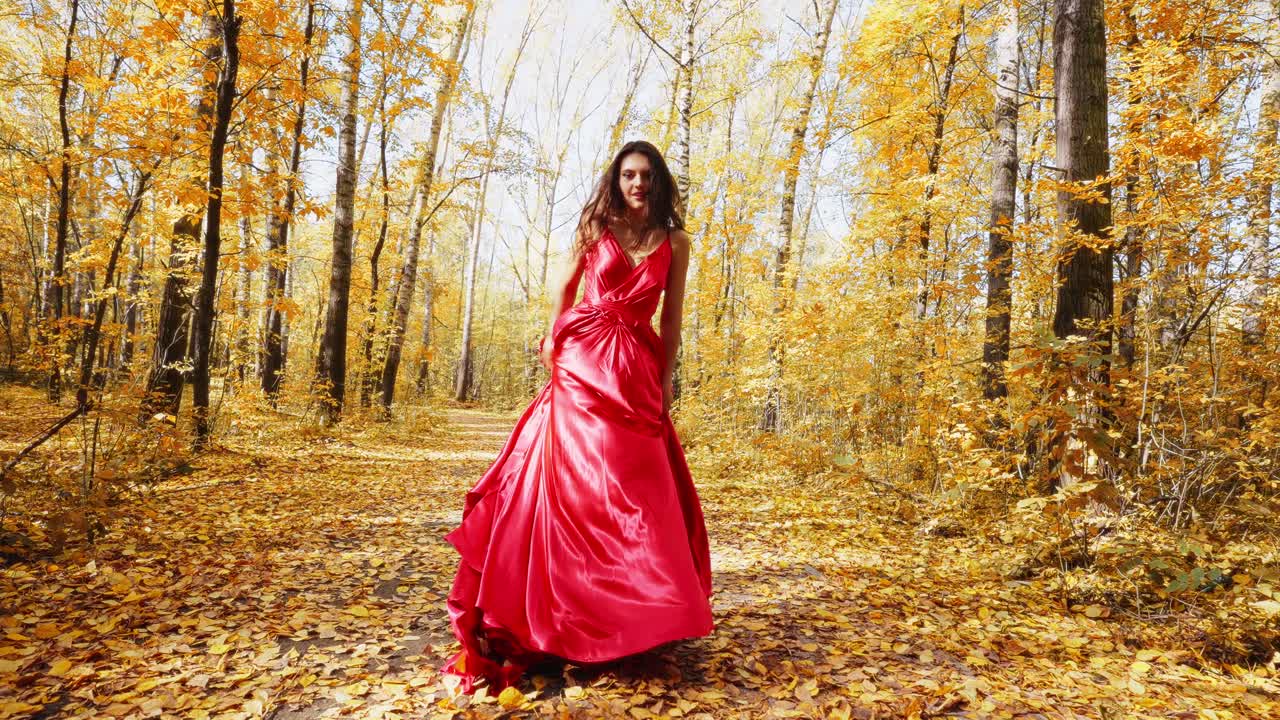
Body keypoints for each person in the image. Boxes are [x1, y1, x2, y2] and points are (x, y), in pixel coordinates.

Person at [440, 140, 714, 693]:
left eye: (647, 175)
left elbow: (672, 321)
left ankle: (633, 614)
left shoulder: (677, 242)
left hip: (636, 369)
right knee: (574, 485)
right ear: (616, 180)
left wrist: (664, 383)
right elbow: (564, 291)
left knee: (635, 494)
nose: (638, 184)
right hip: (583, 357)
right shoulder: (595, 228)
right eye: (628, 175)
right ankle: (559, 615)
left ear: (659, 182)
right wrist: (554, 344)